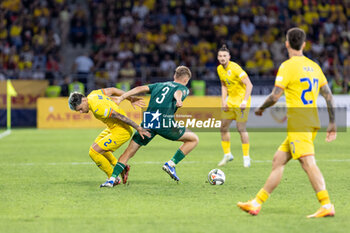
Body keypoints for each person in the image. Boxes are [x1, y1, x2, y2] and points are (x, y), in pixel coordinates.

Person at [237, 28, 336, 218]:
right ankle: (256, 203)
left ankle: (326, 205)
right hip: (311, 121)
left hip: (299, 123)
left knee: (308, 163)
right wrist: (332, 122)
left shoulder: (287, 66)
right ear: (304, 44)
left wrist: (261, 109)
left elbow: (275, 96)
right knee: (278, 160)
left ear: (287, 43)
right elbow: (329, 96)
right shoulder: (314, 66)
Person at [100, 66, 199, 187]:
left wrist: (122, 97)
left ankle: (111, 180)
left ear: (174, 76)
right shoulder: (183, 88)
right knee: (193, 139)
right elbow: (178, 93)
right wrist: (179, 100)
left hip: (148, 121)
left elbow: (139, 88)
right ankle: (171, 164)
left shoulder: (159, 85)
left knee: (128, 153)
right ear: (186, 80)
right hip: (164, 122)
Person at [68, 87, 151, 187]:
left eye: (80, 109)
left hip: (121, 131)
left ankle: (113, 178)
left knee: (94, 152)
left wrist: (138, 128)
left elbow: (118, 115)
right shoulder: (93, 94)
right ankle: (121, 167)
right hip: (113, 128)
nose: (81, 112)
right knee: (98, 147)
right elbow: (112, 90)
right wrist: (130, 98)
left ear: (84, 100)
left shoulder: (97, 108)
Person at [216, 45, 253, 167]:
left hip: (242, 101)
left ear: (229, 57)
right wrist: (223, 101)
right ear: (218, 57)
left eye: (224, 56)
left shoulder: (236, 68)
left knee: (240, 128)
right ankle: (227, 155)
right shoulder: (219, 69)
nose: (222, 58)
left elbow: (249, 85)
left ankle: (246, 157)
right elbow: (224, 85)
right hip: (230, 101)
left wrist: (244, 101)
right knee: (223, 127)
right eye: (220, 56)